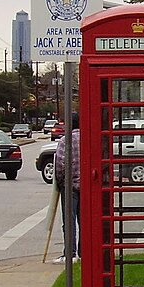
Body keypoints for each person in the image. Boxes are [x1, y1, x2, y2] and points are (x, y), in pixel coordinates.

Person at [54, 112, 81, 262]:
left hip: (69, 186)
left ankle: (70, 254)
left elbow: (60, 164)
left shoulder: (65, 140)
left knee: (69, 221)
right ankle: (84, 253)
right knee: (84, 221)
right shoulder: (89, 138)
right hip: (86, 185)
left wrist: (60, 181)